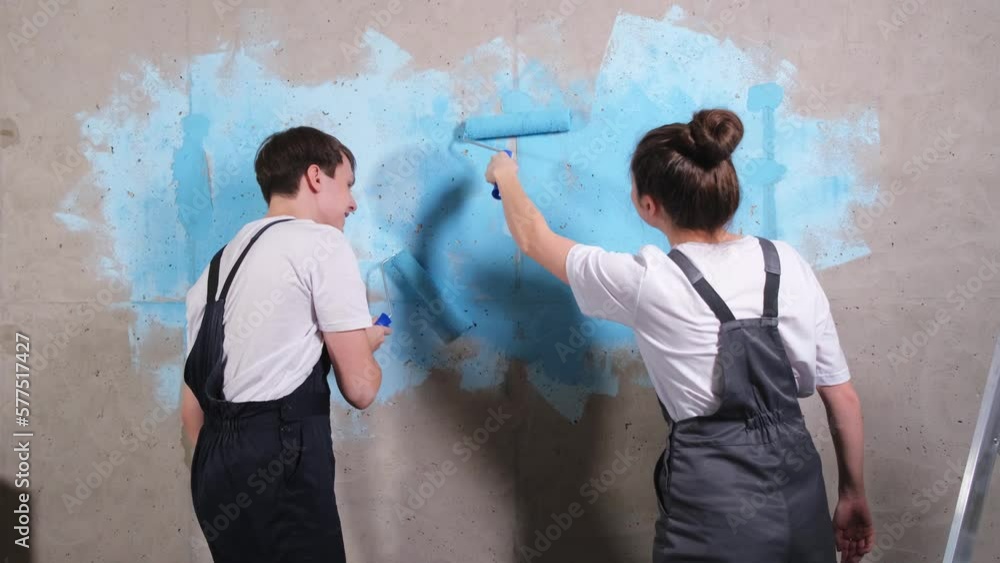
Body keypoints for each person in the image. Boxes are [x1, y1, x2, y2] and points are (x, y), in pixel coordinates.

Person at [485, 109, 875, 562]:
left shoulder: (649, 278)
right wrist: (852, 494)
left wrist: (506, 174)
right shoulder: (787, 263)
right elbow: (842, 396)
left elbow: (533, 237)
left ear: (648, 205)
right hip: (800, 492)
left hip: (713, 499)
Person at [180, 126, 392, 562]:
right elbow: (362, 389)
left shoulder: (217, 266)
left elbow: (192, 407)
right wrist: (364, 345)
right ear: (316, 177)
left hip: (215, 469)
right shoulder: (321, 243)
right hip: (279, 459)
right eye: (348, 184)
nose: (353, 202)